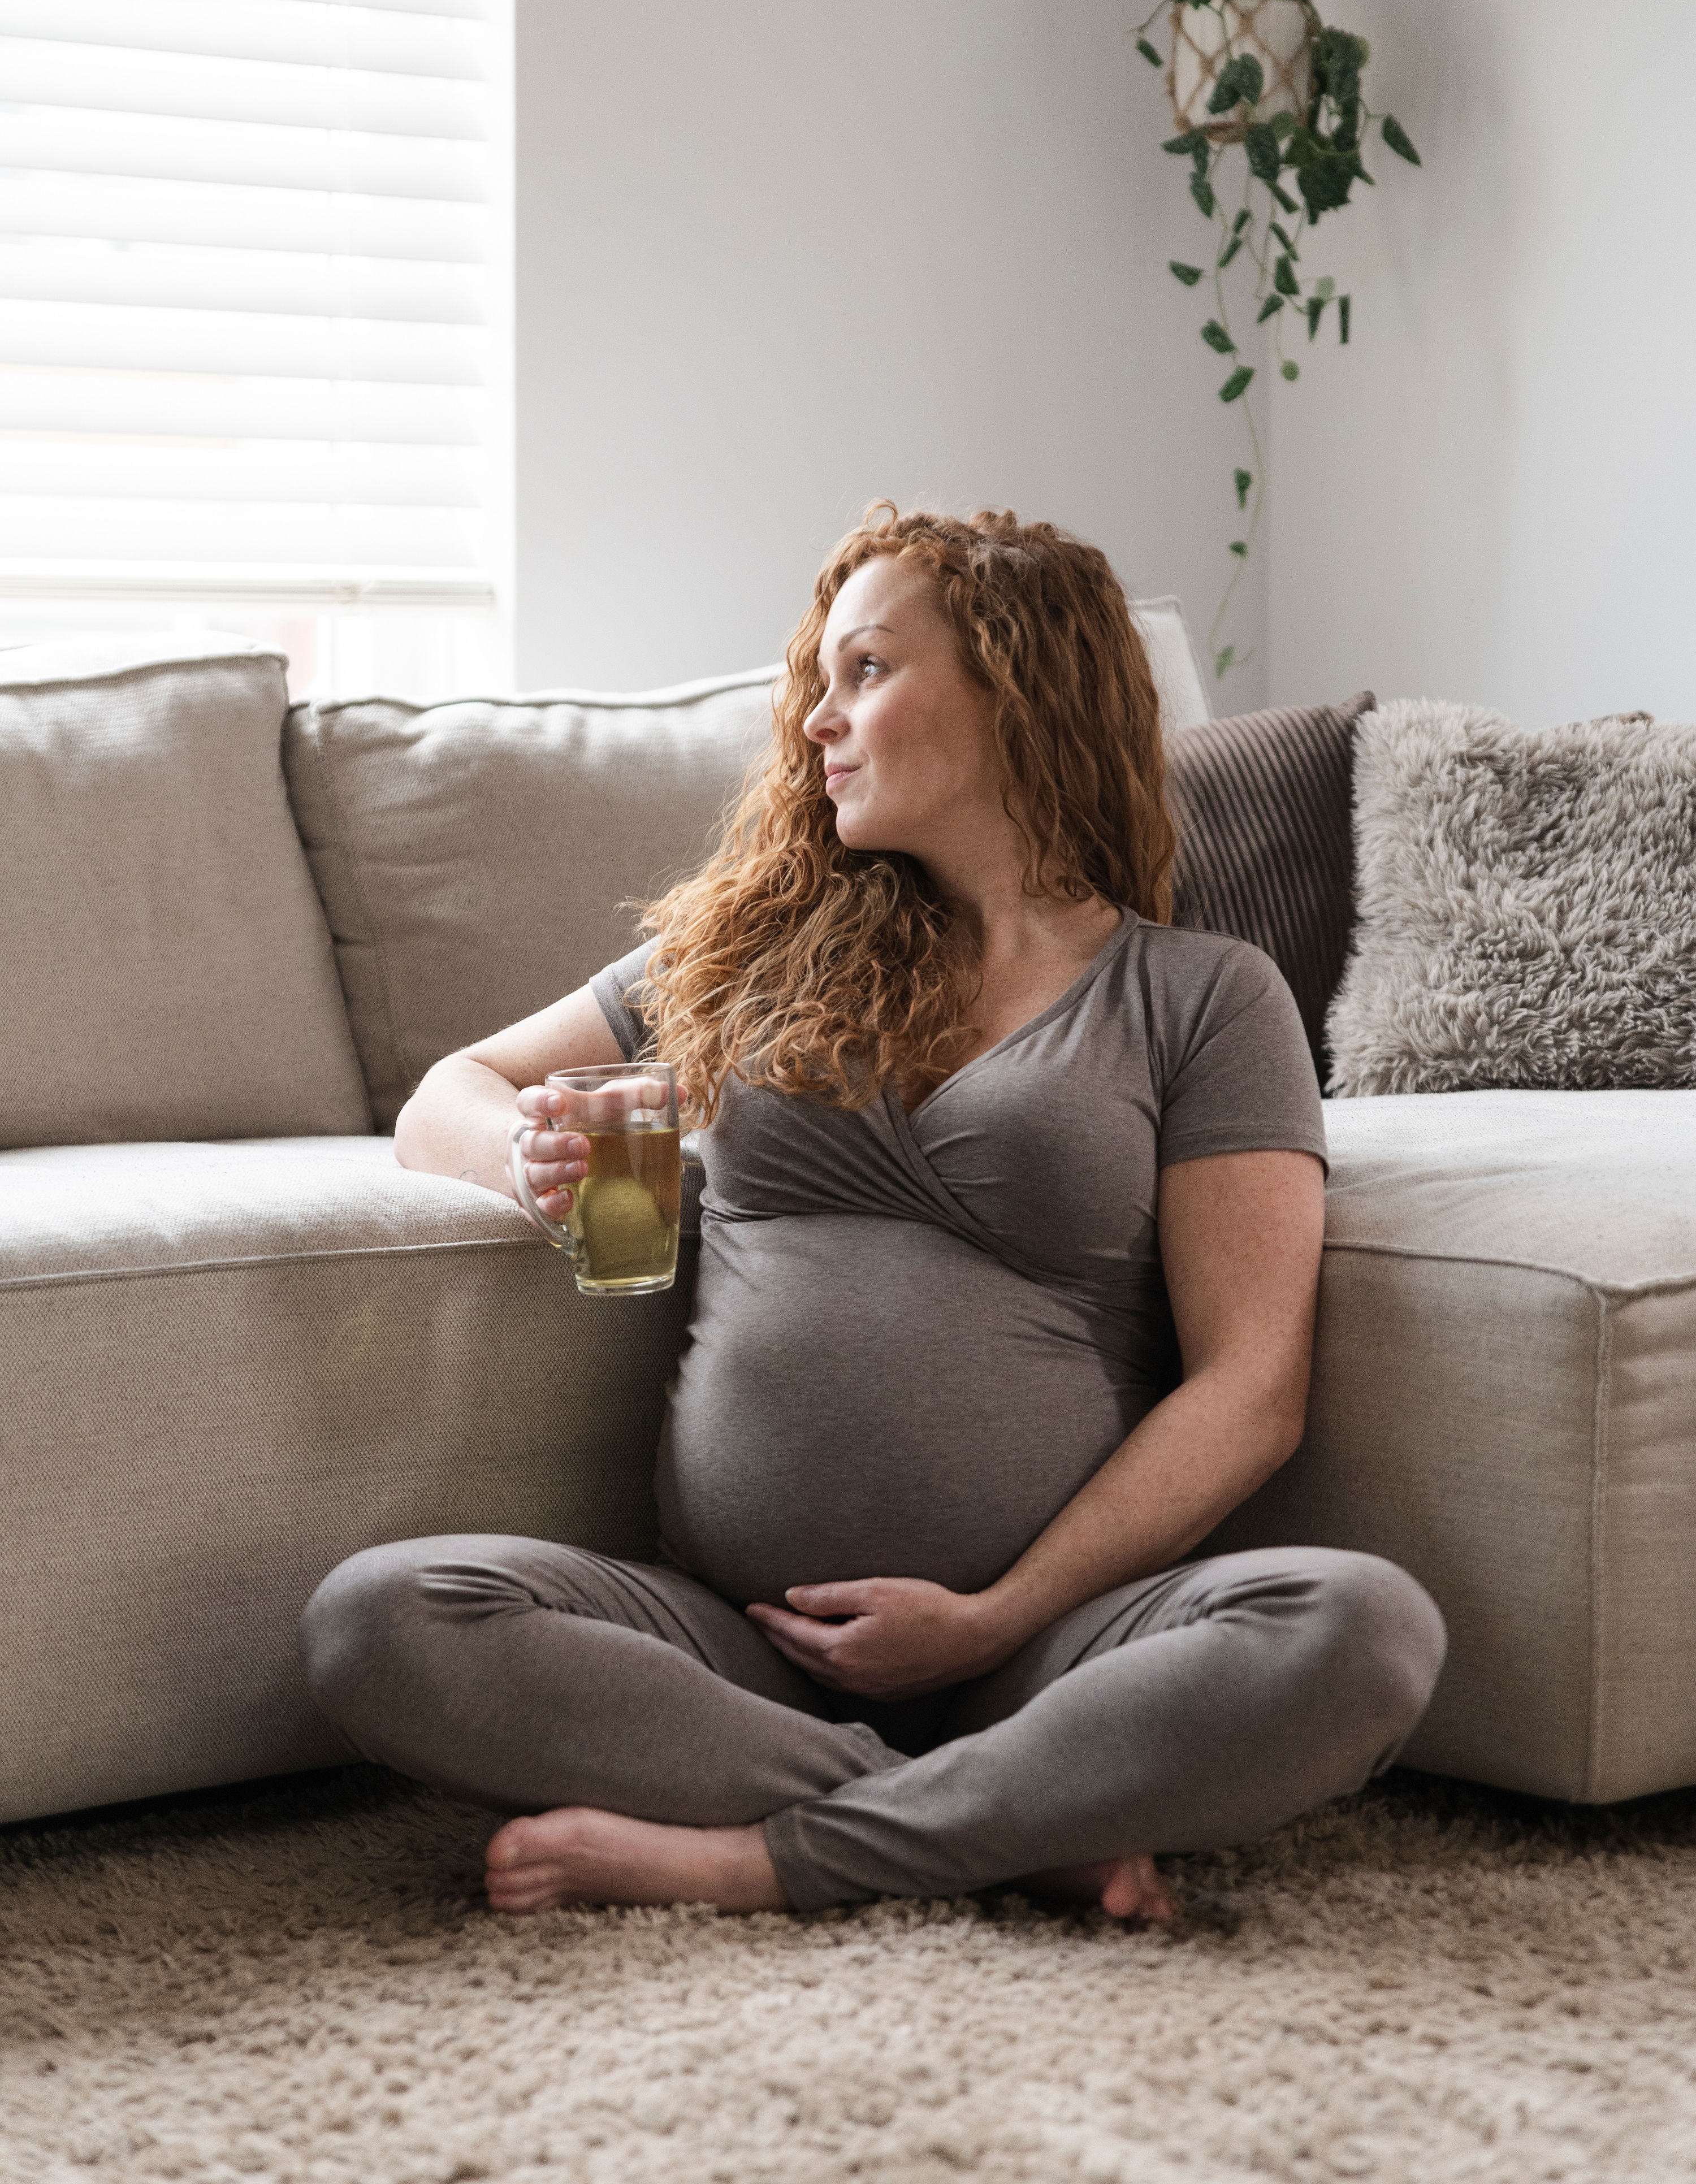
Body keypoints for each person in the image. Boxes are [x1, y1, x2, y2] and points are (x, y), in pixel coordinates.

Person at [300, 505, 1444, 1923]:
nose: (818, 727)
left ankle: (756, 1854)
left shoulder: (1199, 997)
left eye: (868, 673)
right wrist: (522, 1155)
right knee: (382, 1618)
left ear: (1018, 686)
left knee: (1361, 1629)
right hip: (738, 1648)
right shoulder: (747, 955)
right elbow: (446, 1095)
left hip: (1055, 1645)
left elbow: (1252, 1388)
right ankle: (1016, 1820)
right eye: (820, 685)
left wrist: (996, 1617)